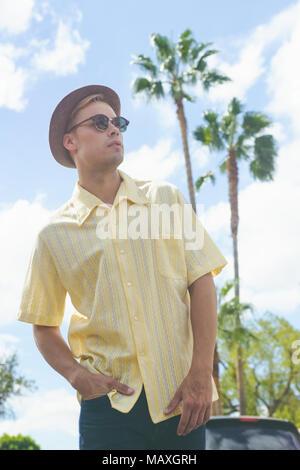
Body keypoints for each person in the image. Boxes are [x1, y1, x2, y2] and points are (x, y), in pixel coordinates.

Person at [17, 84, 228, 450]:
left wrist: (201, 373)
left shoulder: (165, 199)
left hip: (183, 401)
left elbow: (202, 282)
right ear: (71, 141)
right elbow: (43, 325)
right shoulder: (54, 234)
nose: (114, 129)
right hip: (109, 410)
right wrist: (77, 376)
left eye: (118, 122)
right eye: (100, 122)